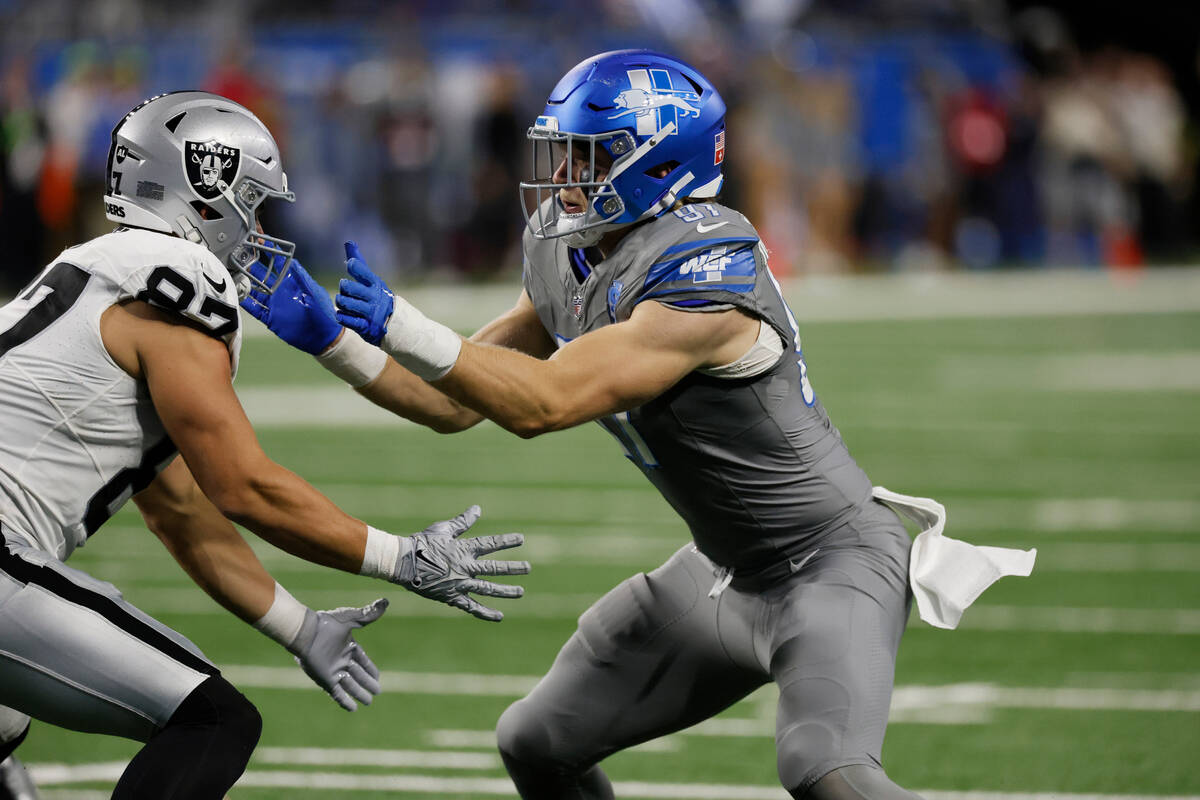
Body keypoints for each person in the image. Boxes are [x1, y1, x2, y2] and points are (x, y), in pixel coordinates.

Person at [246, 50, 1031, 800]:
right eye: (564, 154)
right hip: (725, 572)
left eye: (589, 157)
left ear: (660, 162)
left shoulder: (707, 266)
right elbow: (456, 402)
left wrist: (404, 323)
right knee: (536, 742)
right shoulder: (571, 249)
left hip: (832, 561)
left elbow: (542, 404)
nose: (564, 178)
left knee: (824, 768)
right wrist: (339, 342)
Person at [0, 91, 528, 800]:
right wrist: (400, 557)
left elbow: (181, 509)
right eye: (251, 200)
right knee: (213, 722)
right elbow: (243, 486)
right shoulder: (182, 280)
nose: (257, 224)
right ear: (208, 192)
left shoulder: (93, 268)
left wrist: (300, 628)